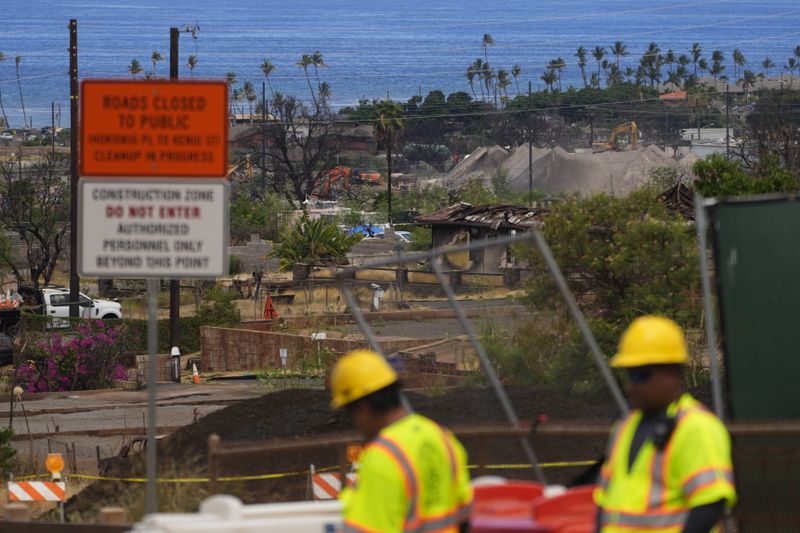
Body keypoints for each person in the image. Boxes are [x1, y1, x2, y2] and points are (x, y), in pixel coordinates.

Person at [594, 316, 737, 533]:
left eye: (640, 375)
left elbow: (709, 503)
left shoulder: (695, 427)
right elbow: (604, 500)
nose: (631, 385)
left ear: (671, 374)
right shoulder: (624, 428)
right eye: (628, 374)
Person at [330, 349, 473, 533]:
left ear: (363, 409)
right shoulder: (441, 437)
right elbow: (464, 513)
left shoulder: (383, 456)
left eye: (350, 413)